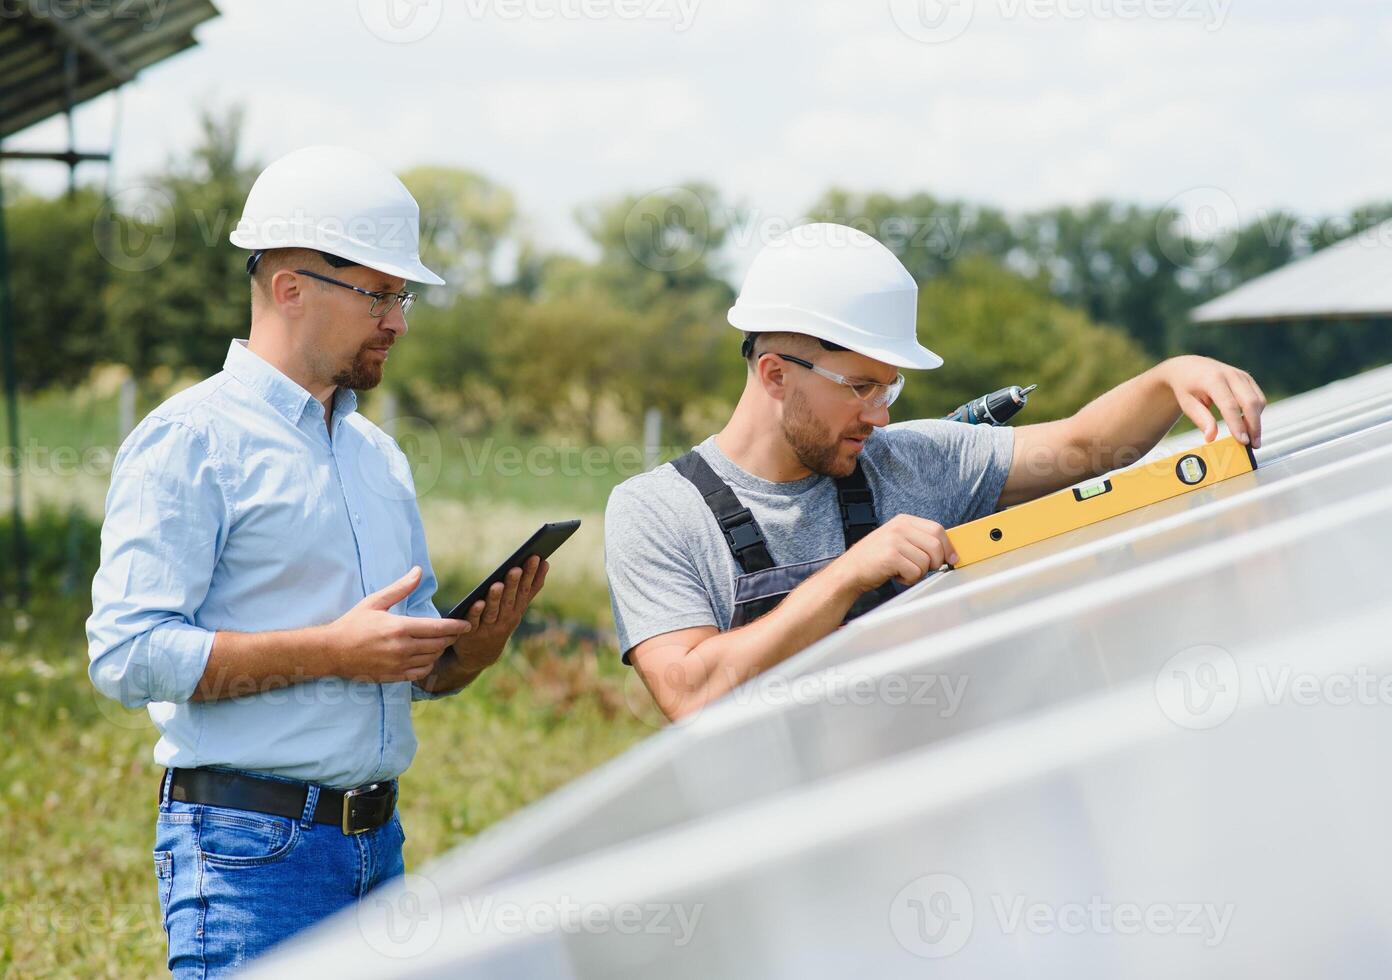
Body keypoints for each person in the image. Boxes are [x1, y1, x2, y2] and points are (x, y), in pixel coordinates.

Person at [85, 145, 549, 976]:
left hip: (377, 847)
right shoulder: (190, 442)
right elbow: (125, 655)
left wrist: (463, 656)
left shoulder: (377, 456)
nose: (399, 321)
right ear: (291, 287)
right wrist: (328, 650)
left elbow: (404, 665)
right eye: (379, 294)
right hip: (247, 854)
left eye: (401, 297)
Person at [605, 223, 1266, 721]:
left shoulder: (917, 460)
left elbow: (1088, 448)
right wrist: (850, 572)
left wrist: (1168, 377)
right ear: (776, 374)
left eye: (888, 390)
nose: (880, 419)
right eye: (861, 387)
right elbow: (689, 691)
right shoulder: (659, 512)